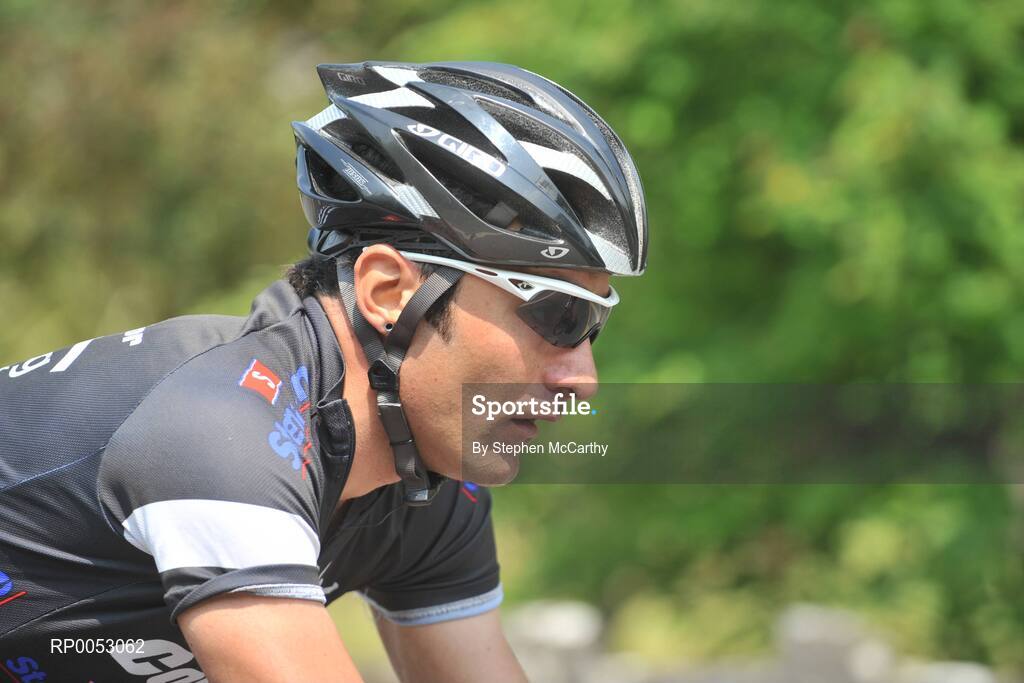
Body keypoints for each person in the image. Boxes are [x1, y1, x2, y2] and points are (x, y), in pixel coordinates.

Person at [0, 60, 647, 681]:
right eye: (559, 316)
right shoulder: (224, 434)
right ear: (389, 291)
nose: (583, 379)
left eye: (594, 326)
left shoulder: (430, 487)